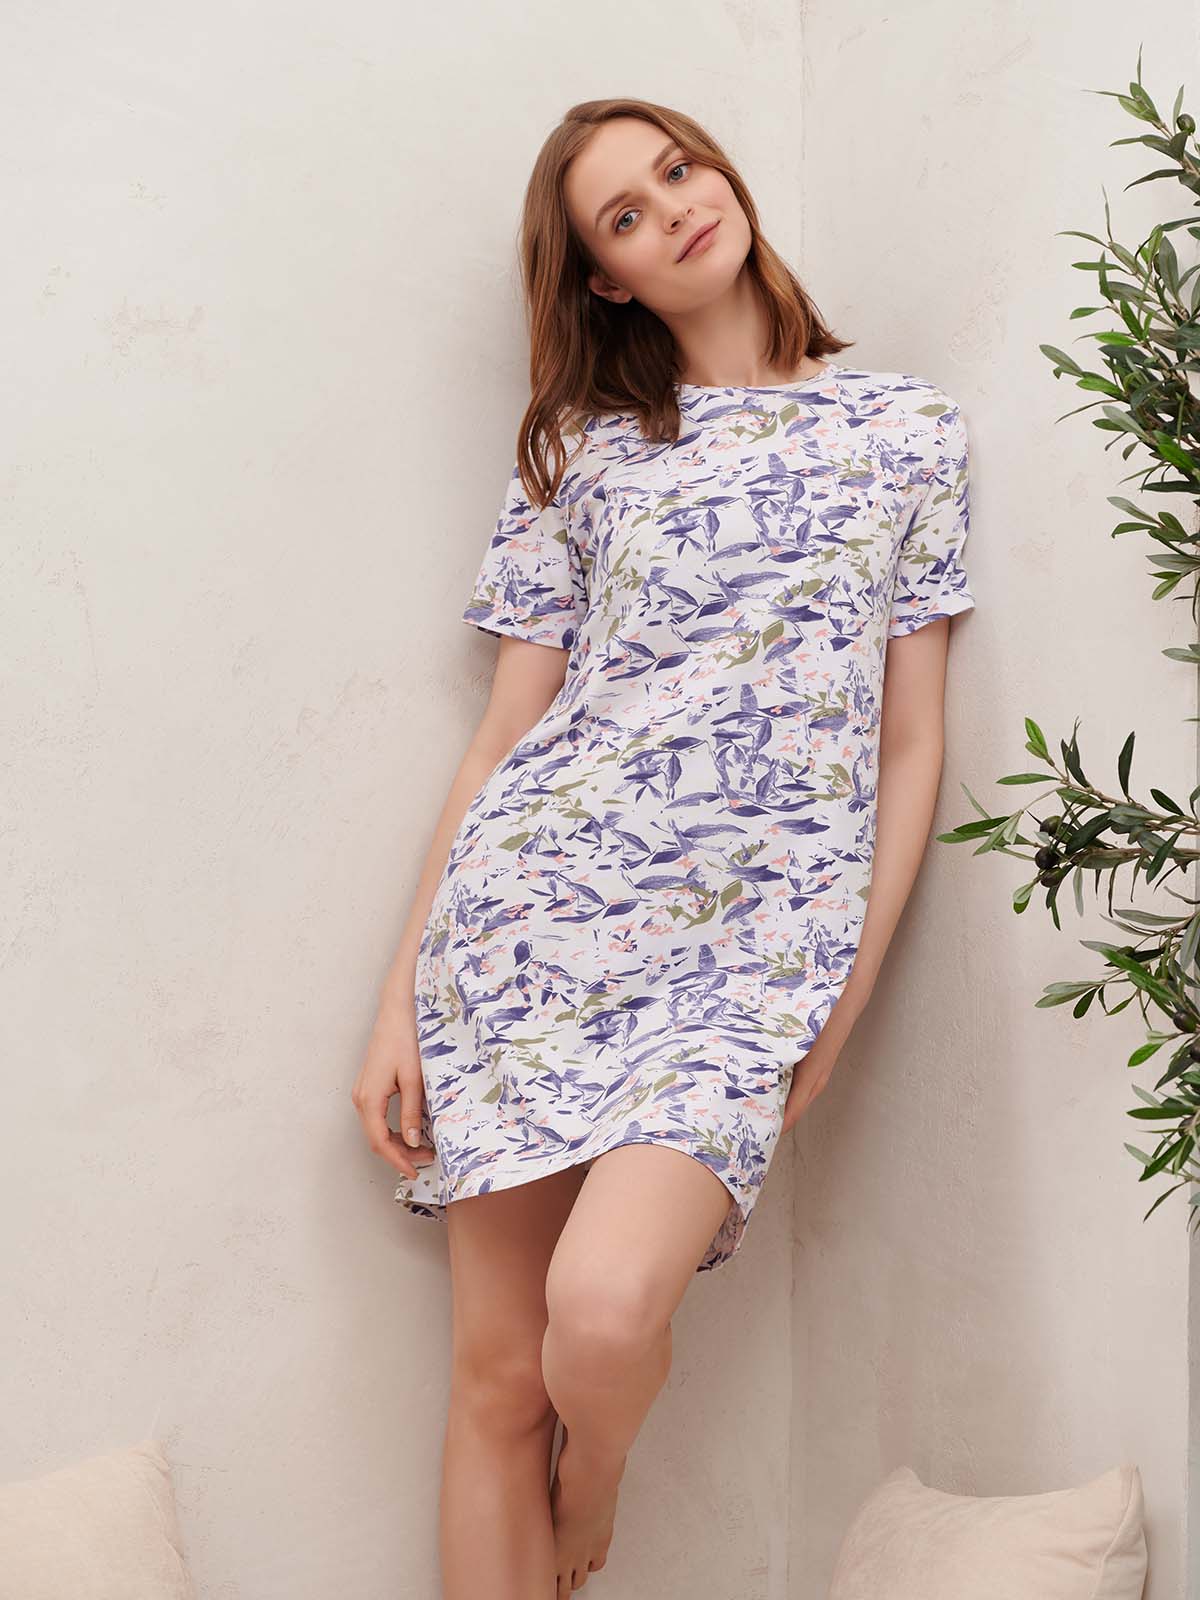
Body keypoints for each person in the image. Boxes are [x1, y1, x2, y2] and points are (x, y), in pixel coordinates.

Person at [351, 95, 977, 1600]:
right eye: (624, 215)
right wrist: (396, 1004)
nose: (675, 208)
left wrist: (840, 1000)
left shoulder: (905, 430)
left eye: (679, 170)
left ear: (726, 179)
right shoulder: (580, 452)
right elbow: (504, 739)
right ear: (605, 278)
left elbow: (911, 747)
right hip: (531, 931)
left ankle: (596, 1485)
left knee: (606, 1307)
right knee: (498, 1382)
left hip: (754, 954)